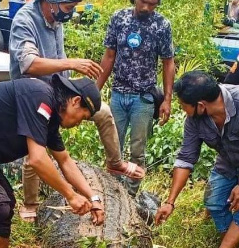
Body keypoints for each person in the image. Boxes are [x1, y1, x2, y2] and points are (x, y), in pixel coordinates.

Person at [8, 0, 140, 222]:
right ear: (51, 3)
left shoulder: (57, 21)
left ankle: (115, 163)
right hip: (31, 97)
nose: (70, 13)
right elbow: (28, 64)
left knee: (103, 112)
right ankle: (30, 203)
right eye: (68, 8)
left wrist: (92, 197)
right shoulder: (25, 19)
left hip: (59, 92)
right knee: (34, 151)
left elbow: (65, 160)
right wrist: (70, 64)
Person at [153, 71, 239, 248]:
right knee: (213, 202)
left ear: (201, 105)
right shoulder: (195, 119)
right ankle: (230, 243)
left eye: (183, 104)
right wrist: (170, 202)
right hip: (229, 161)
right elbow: (186, 157)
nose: (182, 109)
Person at [0, 75, 106, 248]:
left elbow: (64, 161)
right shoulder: (39, 96)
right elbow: (38, 159)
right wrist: (71, 196)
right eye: (83, 116)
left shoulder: (51, 120)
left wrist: (93, 197)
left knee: (5, 205)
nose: (79, 124)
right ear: (75, 101)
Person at [97, 0, 175, 196]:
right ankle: (113, 191)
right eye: (143, 2)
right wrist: (94, 89)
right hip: (118, 94)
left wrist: (167, 99)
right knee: (113, 147)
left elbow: (168, 63)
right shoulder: (119, 18)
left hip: (143, 98)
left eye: (152, 4)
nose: (146, 8)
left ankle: (131, 194)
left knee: (137, 150)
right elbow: (109, 56)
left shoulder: (162, 25)